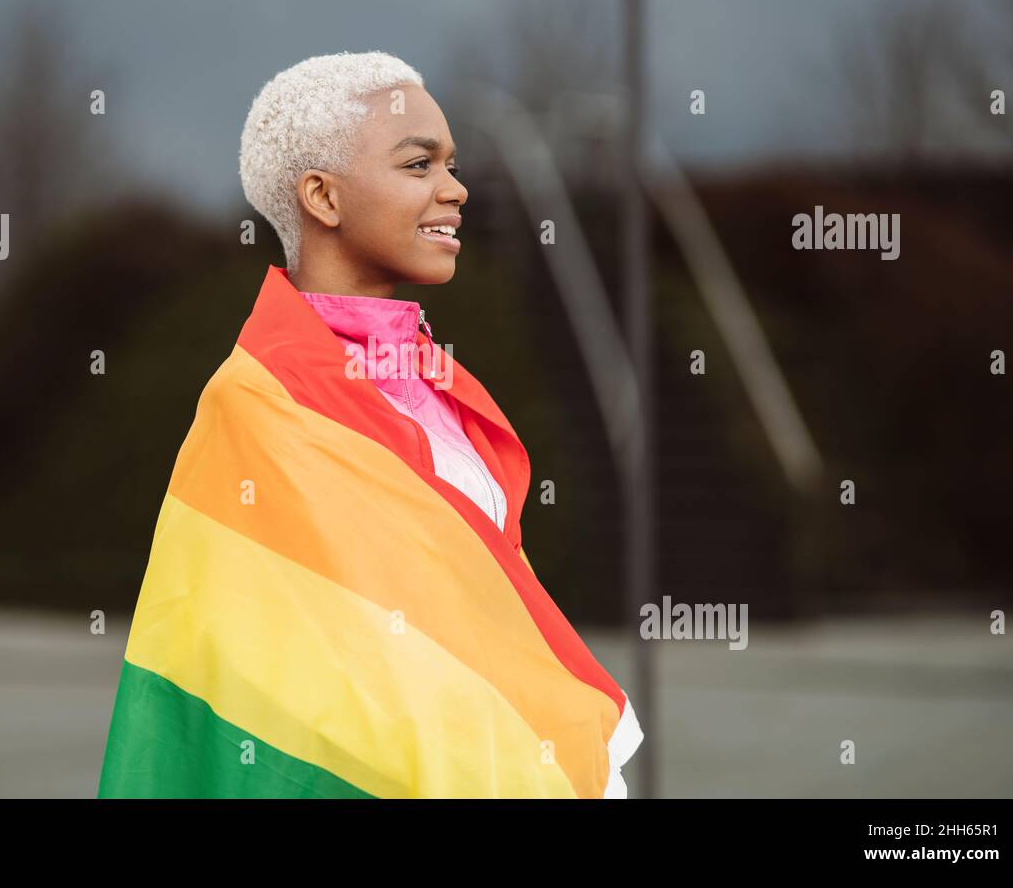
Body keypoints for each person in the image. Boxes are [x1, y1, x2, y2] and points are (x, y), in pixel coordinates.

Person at [97, 50, 642, 798]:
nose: (456, 189)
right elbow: (246, 673)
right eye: (420, 166)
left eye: (452, 165)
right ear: (321, 196)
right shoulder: (253, 406)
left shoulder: (448, 390)